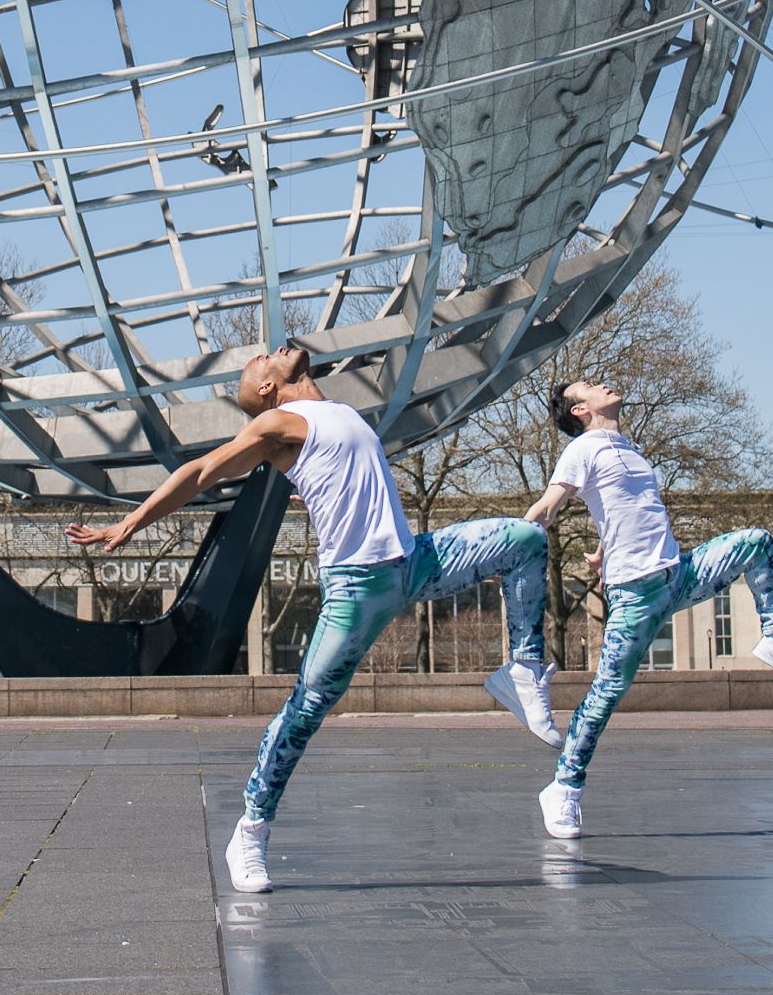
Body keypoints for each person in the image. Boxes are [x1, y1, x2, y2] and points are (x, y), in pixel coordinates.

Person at [70, 345, 550, 894]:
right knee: (305, 712)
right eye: (257, 363)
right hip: (356, 588)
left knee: (527, 540)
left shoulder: (341, 412)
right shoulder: (277, 423)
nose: (263, 351)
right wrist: (130, 523)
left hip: (413, 562)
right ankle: (250, 829)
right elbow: (202, 470)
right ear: (269, 390)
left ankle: (525, 668)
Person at [521, 377, 773, 839]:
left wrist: (603, 547)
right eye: (590, 386)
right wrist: (515, 542)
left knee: (756, 542)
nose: (604, 383)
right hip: (635, 594)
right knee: (605, 695)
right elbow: (550, 505)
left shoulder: (632, 450)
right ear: (579, 411)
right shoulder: (582, 450)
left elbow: (623, 510)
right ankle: (563, 788)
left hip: (676, 574)